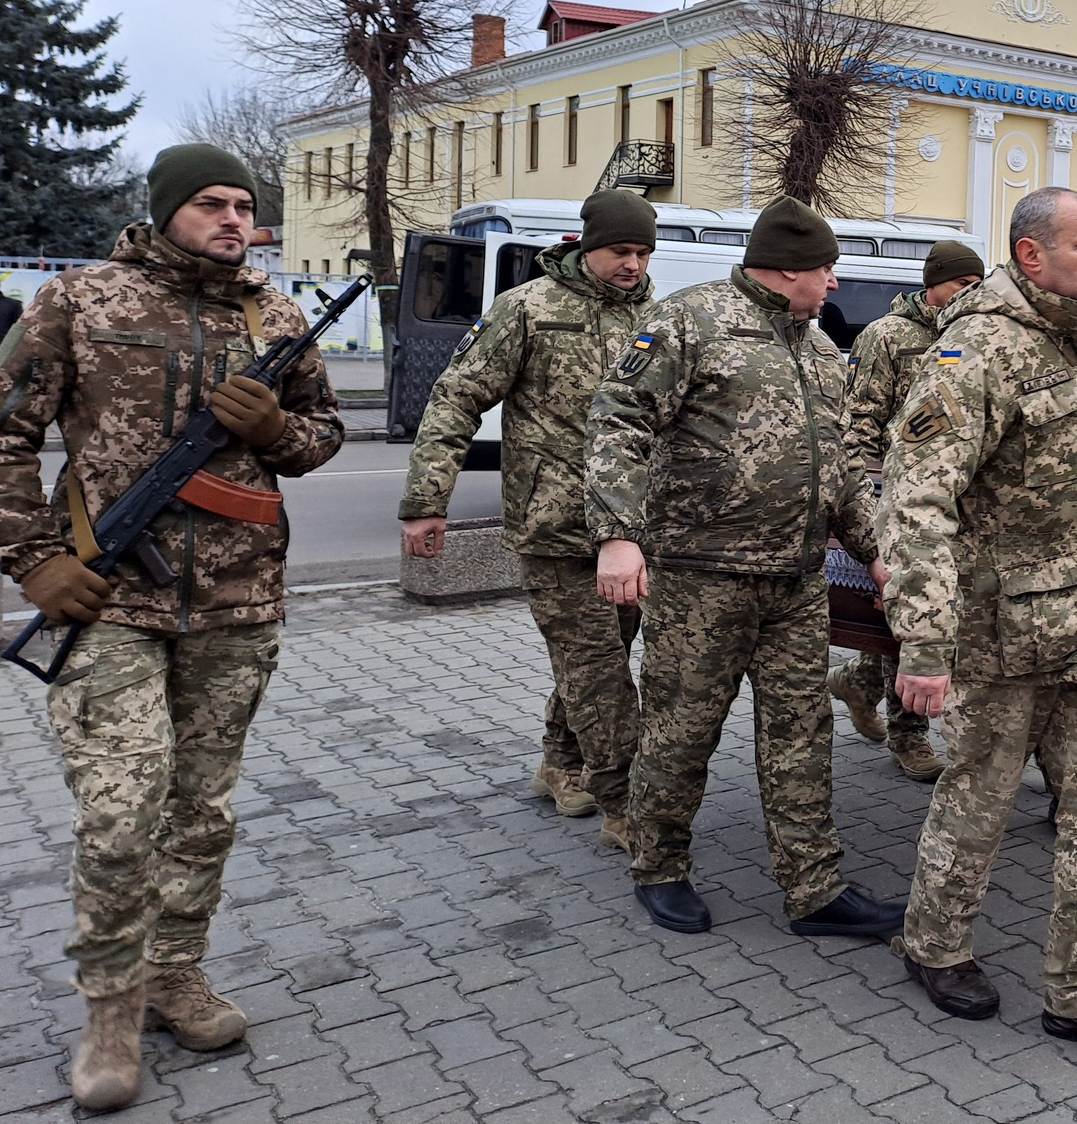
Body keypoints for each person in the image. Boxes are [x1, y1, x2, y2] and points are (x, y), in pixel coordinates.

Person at [0, 145, 344, 1111]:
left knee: (201, 811)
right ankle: (109, 1006)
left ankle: (175, 975)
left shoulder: (279, 315)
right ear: (167, 209)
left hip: (237, 603)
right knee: (117, 816)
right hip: (108, 600)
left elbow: (321, 438)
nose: (234, 219)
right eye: (212, 204)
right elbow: (2, 432)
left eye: (245, 206)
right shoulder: (82, 300)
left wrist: (273, 432)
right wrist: (32, 560)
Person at [880, 186, 1077, 1071]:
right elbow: (916, 499)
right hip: (999, 636)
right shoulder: (976, 353)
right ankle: (934, 945)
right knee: (976, 804)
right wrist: (925, 644)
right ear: (1032, 255)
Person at [588, 196, 904, 941]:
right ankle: (658, 867)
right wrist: (617, 534)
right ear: (790, 267)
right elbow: (617, 419)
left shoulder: (823, 351)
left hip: (795, 582)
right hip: (702, 577)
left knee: (802, 733)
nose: (833, 283)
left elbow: (843, 472)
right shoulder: (690, 320)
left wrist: (877, 548)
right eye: (826, 269)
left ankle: (815, 887)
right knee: (681, 730)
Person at [399, 189, 658, 848]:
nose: (632, 263)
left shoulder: (657, 321)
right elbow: (456, 398)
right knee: (598, 668)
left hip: (629, 531)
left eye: (642, 251)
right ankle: (627, 807)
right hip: (555, 528)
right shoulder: (528, 310)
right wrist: (428, 501)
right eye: (619, 251)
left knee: (597, 658)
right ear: (586, 246)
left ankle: (560, 763)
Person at [826, 239, 985, 780]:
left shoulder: (975, 336)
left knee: (942, 618)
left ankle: (858, 680)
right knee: (910, 614)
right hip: (901, 500)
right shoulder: (888, 337)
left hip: (960, 503)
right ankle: (909, 733)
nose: (970, 293)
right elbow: (859, 424)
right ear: (933, 283)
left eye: (976, 284)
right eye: (961, 284)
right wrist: (870, 503)